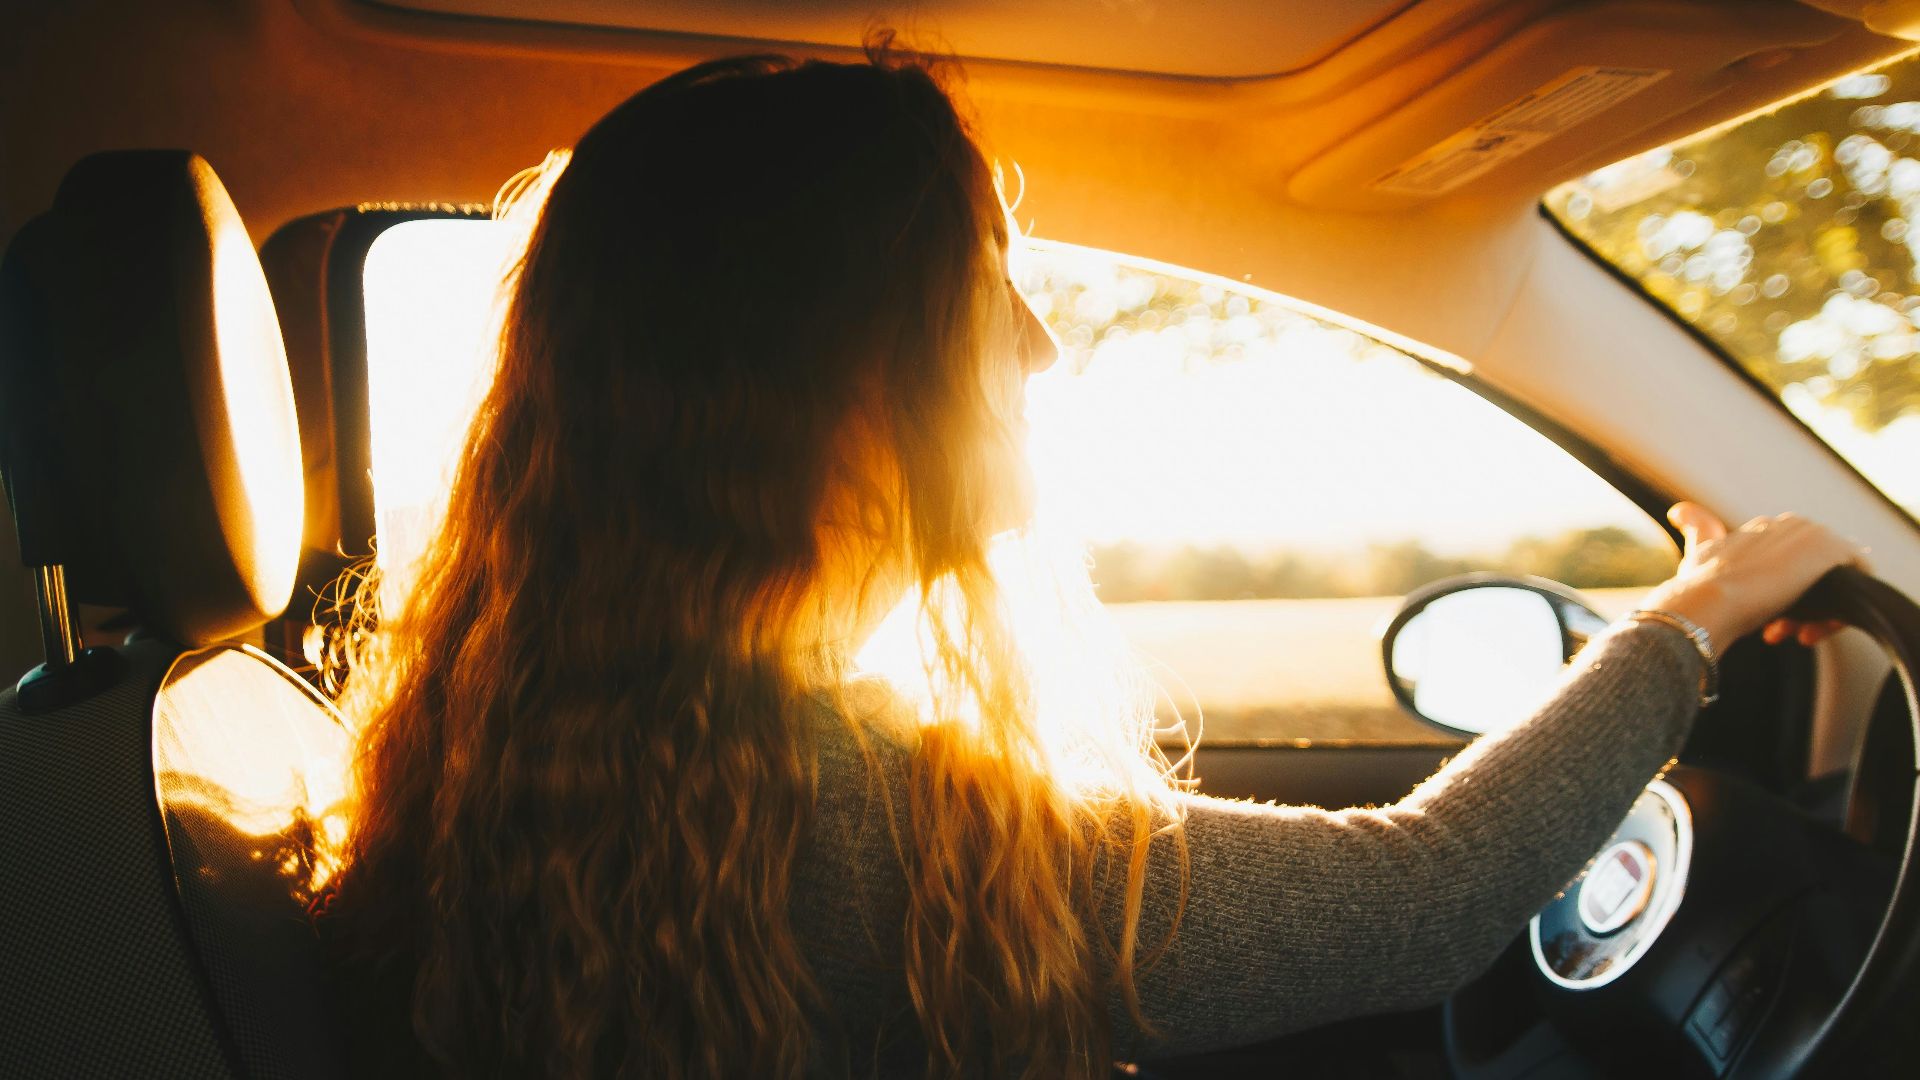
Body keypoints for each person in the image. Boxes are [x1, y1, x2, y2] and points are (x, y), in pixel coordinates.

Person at [312, 46, 1872, 1079]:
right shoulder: (849, 822)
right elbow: (1428, 898)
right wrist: (1700, 612)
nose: (1041, 350)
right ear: (827, 380)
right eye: (983, 297)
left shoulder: (547, 745)